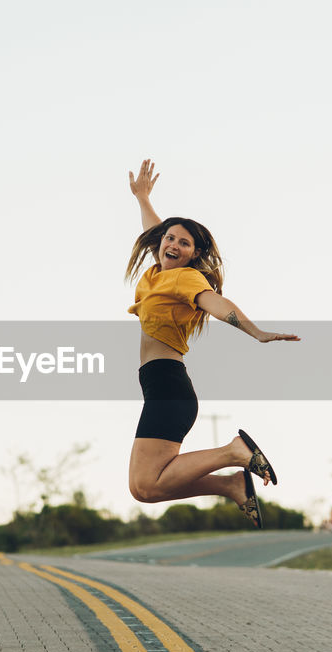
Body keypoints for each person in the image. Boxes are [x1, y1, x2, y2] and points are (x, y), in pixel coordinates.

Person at [125, 158, 299, 527]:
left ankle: (233, 454)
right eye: (170, 239)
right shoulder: (157, 273)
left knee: (145, 485)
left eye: (183, 243)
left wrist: (257, 332)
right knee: (143, 489)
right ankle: (233, 485)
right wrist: (143, 199)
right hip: (160, 388)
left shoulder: (187, 280)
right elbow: (157, 231)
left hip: (169, 388)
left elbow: (217, 305)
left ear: (194, 254)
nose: (173, 244)